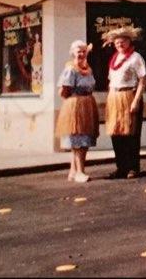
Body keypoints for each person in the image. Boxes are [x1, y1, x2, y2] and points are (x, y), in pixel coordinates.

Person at [102, 26, 146, 179]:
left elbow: (142, 80)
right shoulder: (114, 58)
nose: (120, 44)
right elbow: (111, 81)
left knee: (131, 134)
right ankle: (121, 167)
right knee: (116, 134)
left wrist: (136, 101)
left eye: (122, 42)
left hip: (129, 95)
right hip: (115, 97)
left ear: (129, 41)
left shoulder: (136, 57)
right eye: (117, 42)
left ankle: (133, 168)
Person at [55, 40, 99, 183]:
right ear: (72, 52)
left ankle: (73, 171)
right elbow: (64, 91)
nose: (81, 53)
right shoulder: (71, 69)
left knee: (84, 139)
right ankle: (80, 172)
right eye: (78, 51)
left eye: (83, 51)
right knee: (77, 139)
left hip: (87, 104)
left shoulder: (88, 69)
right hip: (76, 105)